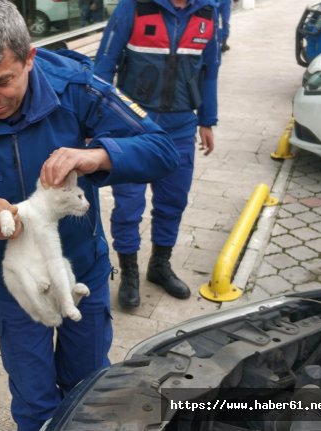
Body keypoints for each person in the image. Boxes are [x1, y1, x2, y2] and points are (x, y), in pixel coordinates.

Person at [0, 1, 179, 429]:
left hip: (82, 271)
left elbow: (162, 149)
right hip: (14, 284)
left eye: (3, 81)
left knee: (90, 388)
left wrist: (98, 155)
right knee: (34, 401)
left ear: (29, 57)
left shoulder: (75, 85)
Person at [93, 0, 220, 308]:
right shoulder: (133, 7)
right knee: (128, 206)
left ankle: (159, 265)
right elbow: (103, 66)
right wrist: (94, 120)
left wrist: (207, 120)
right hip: (132, 127)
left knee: (173, 200)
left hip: (180, 127)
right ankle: (129, 273)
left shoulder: (208, 12)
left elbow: (210, 69)